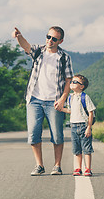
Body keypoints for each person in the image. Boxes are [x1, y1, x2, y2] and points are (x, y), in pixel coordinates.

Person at [12, 26, 73, 176]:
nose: (50, 40)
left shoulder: (64, 57)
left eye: (54, 39)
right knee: (33, 134)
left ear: (60, 41)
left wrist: (63, 99)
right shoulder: (38, 51)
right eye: (48, 37)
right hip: (34, 99)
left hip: (55, 101)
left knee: (57, 135)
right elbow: (26, 46)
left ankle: (57, 166)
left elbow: (68, 80)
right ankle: (39, 165)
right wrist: (19, 36)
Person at [61, 74, 96, 176]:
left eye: (75, 82)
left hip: (84, 126)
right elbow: (71, 111)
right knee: (76, 150)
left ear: (82, 86)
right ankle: (77, 168)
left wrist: (89, 127)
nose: (72, 83)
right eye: (72, 81)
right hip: (73, 126)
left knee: (86, 149)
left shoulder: (85, 97)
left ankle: (88, 169)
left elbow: (90, 112)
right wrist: (61, 109)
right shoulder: (70, 97)